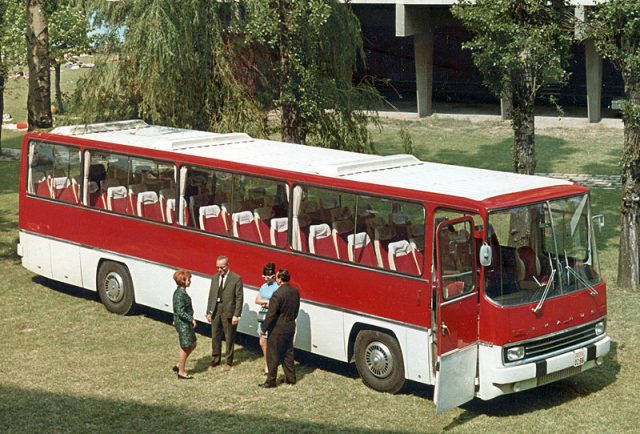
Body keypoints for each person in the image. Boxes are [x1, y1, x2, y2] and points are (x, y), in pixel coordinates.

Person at [259, 269, 300, 388]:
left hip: (277, 328)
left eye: (277, 277)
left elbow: (271, 314)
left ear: (280, 279)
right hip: (290, 326)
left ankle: (271, 381)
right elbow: (296, 309)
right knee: (288, 353)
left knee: (272, 355)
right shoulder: (295, 291)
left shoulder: (277, 294)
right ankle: (291, 378)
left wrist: (263, 328)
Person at [206, 255, 243, 370]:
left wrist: (236, 315)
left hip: (229, 311)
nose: (219, 270)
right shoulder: (214, 278)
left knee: (229, 337)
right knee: (215, 336)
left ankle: (228, 361)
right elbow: (211, 295)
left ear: (228, 265)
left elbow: (239, 298)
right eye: (217, 267)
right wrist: (208, 312)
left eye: (222, 267)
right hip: (216, 309)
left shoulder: (236, 278)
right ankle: (215, 359)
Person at [172, 269, 196, 379]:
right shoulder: (180, 294)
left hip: (183, 323)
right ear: (183, 281)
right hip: (183, 323)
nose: (190, 281)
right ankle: (181, 371)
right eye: (188, 279)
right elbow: (180, 311)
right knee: (186, 346)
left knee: (193, 343)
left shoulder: (180, 292)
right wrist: (191, 319)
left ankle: (179, 365)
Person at [255, 262, 278, 375]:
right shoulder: (263, 286)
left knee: (270, 341)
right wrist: (266, 302)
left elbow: (275, 303)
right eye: (265, 276)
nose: (267, 278)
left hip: (272, 316)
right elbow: (257, 300)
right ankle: (267, 363)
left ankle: (270, 364)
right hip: (262, 316)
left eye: (269, 276)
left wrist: (266, 303)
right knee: (262, 341)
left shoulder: (277, 287)